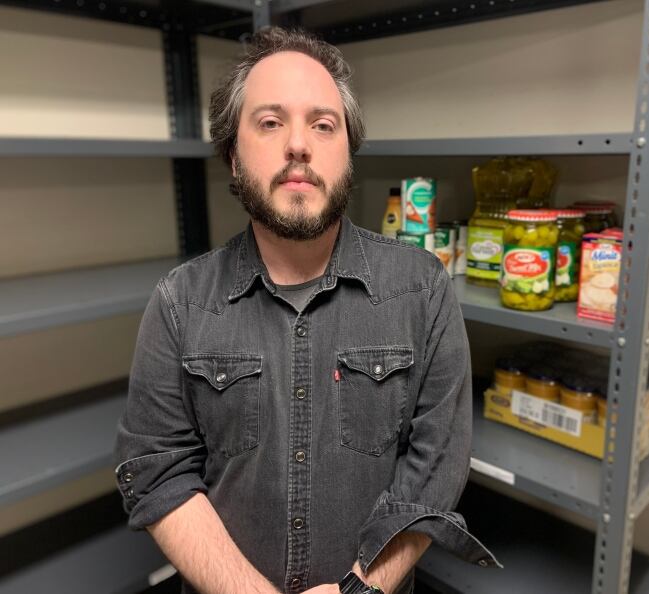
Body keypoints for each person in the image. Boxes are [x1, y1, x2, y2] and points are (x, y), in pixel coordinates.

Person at [114, 26, 497, 594]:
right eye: (270, 123)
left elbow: (436, 468)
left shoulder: (422, 289)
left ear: (348, 152)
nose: (299, 144)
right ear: (233, 155)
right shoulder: (180, 302)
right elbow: (157, 472)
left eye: (323, 124)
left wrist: (362, 588)